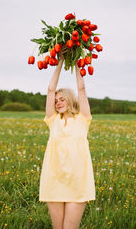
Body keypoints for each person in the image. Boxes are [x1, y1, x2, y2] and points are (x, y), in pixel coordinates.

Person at [39, 53, 95, 229]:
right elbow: (50, 90)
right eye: (56, 101)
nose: (57, 103)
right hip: (54, 180)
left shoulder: (83, 119)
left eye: (62, 99)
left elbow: (82, 89)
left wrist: (76, 60)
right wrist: (60, 61)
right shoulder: (53, 120)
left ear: (70, 100)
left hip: (78, 181)